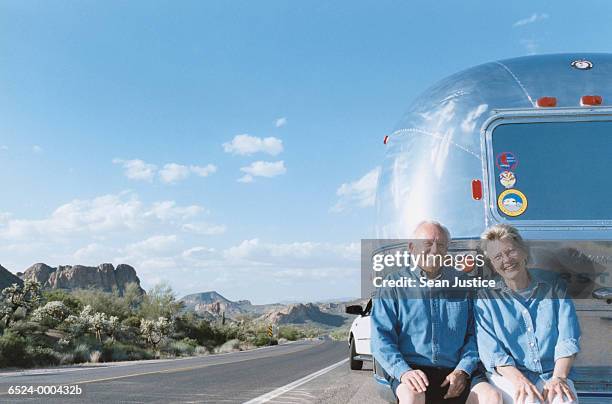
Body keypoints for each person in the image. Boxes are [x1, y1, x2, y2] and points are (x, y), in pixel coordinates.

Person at [371, 221, 501, 404]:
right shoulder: (392, 285)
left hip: (458, 368)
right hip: (412, 368)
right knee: (411, 396)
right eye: (427, 244)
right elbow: (380, 339)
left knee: (491, 397)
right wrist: (403, 371)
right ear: (411, 247)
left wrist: (463, 369)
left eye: (440, 245)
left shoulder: (464, 284)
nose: (434, 250)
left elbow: (476, 335)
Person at [475, 224, 581, 404]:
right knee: (528, 400)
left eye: (510, 251)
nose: (506, 260)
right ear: (492, 264)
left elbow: (567, 339)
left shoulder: (554, 286)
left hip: (552, 372)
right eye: (498, 256)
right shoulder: (485, 297)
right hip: (510, 376)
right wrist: (520, 381)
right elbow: (492, 353)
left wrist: (558, 378)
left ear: (524, 251)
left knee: (564, 400)